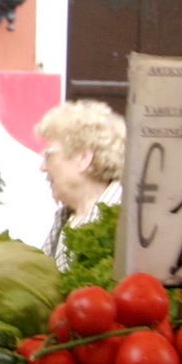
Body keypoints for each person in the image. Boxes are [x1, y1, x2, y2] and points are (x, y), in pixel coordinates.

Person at [36, 98, 126, 270]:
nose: (43, 167)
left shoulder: (125, 221)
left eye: (49, 156)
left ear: (83, 158)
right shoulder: (66, 218)